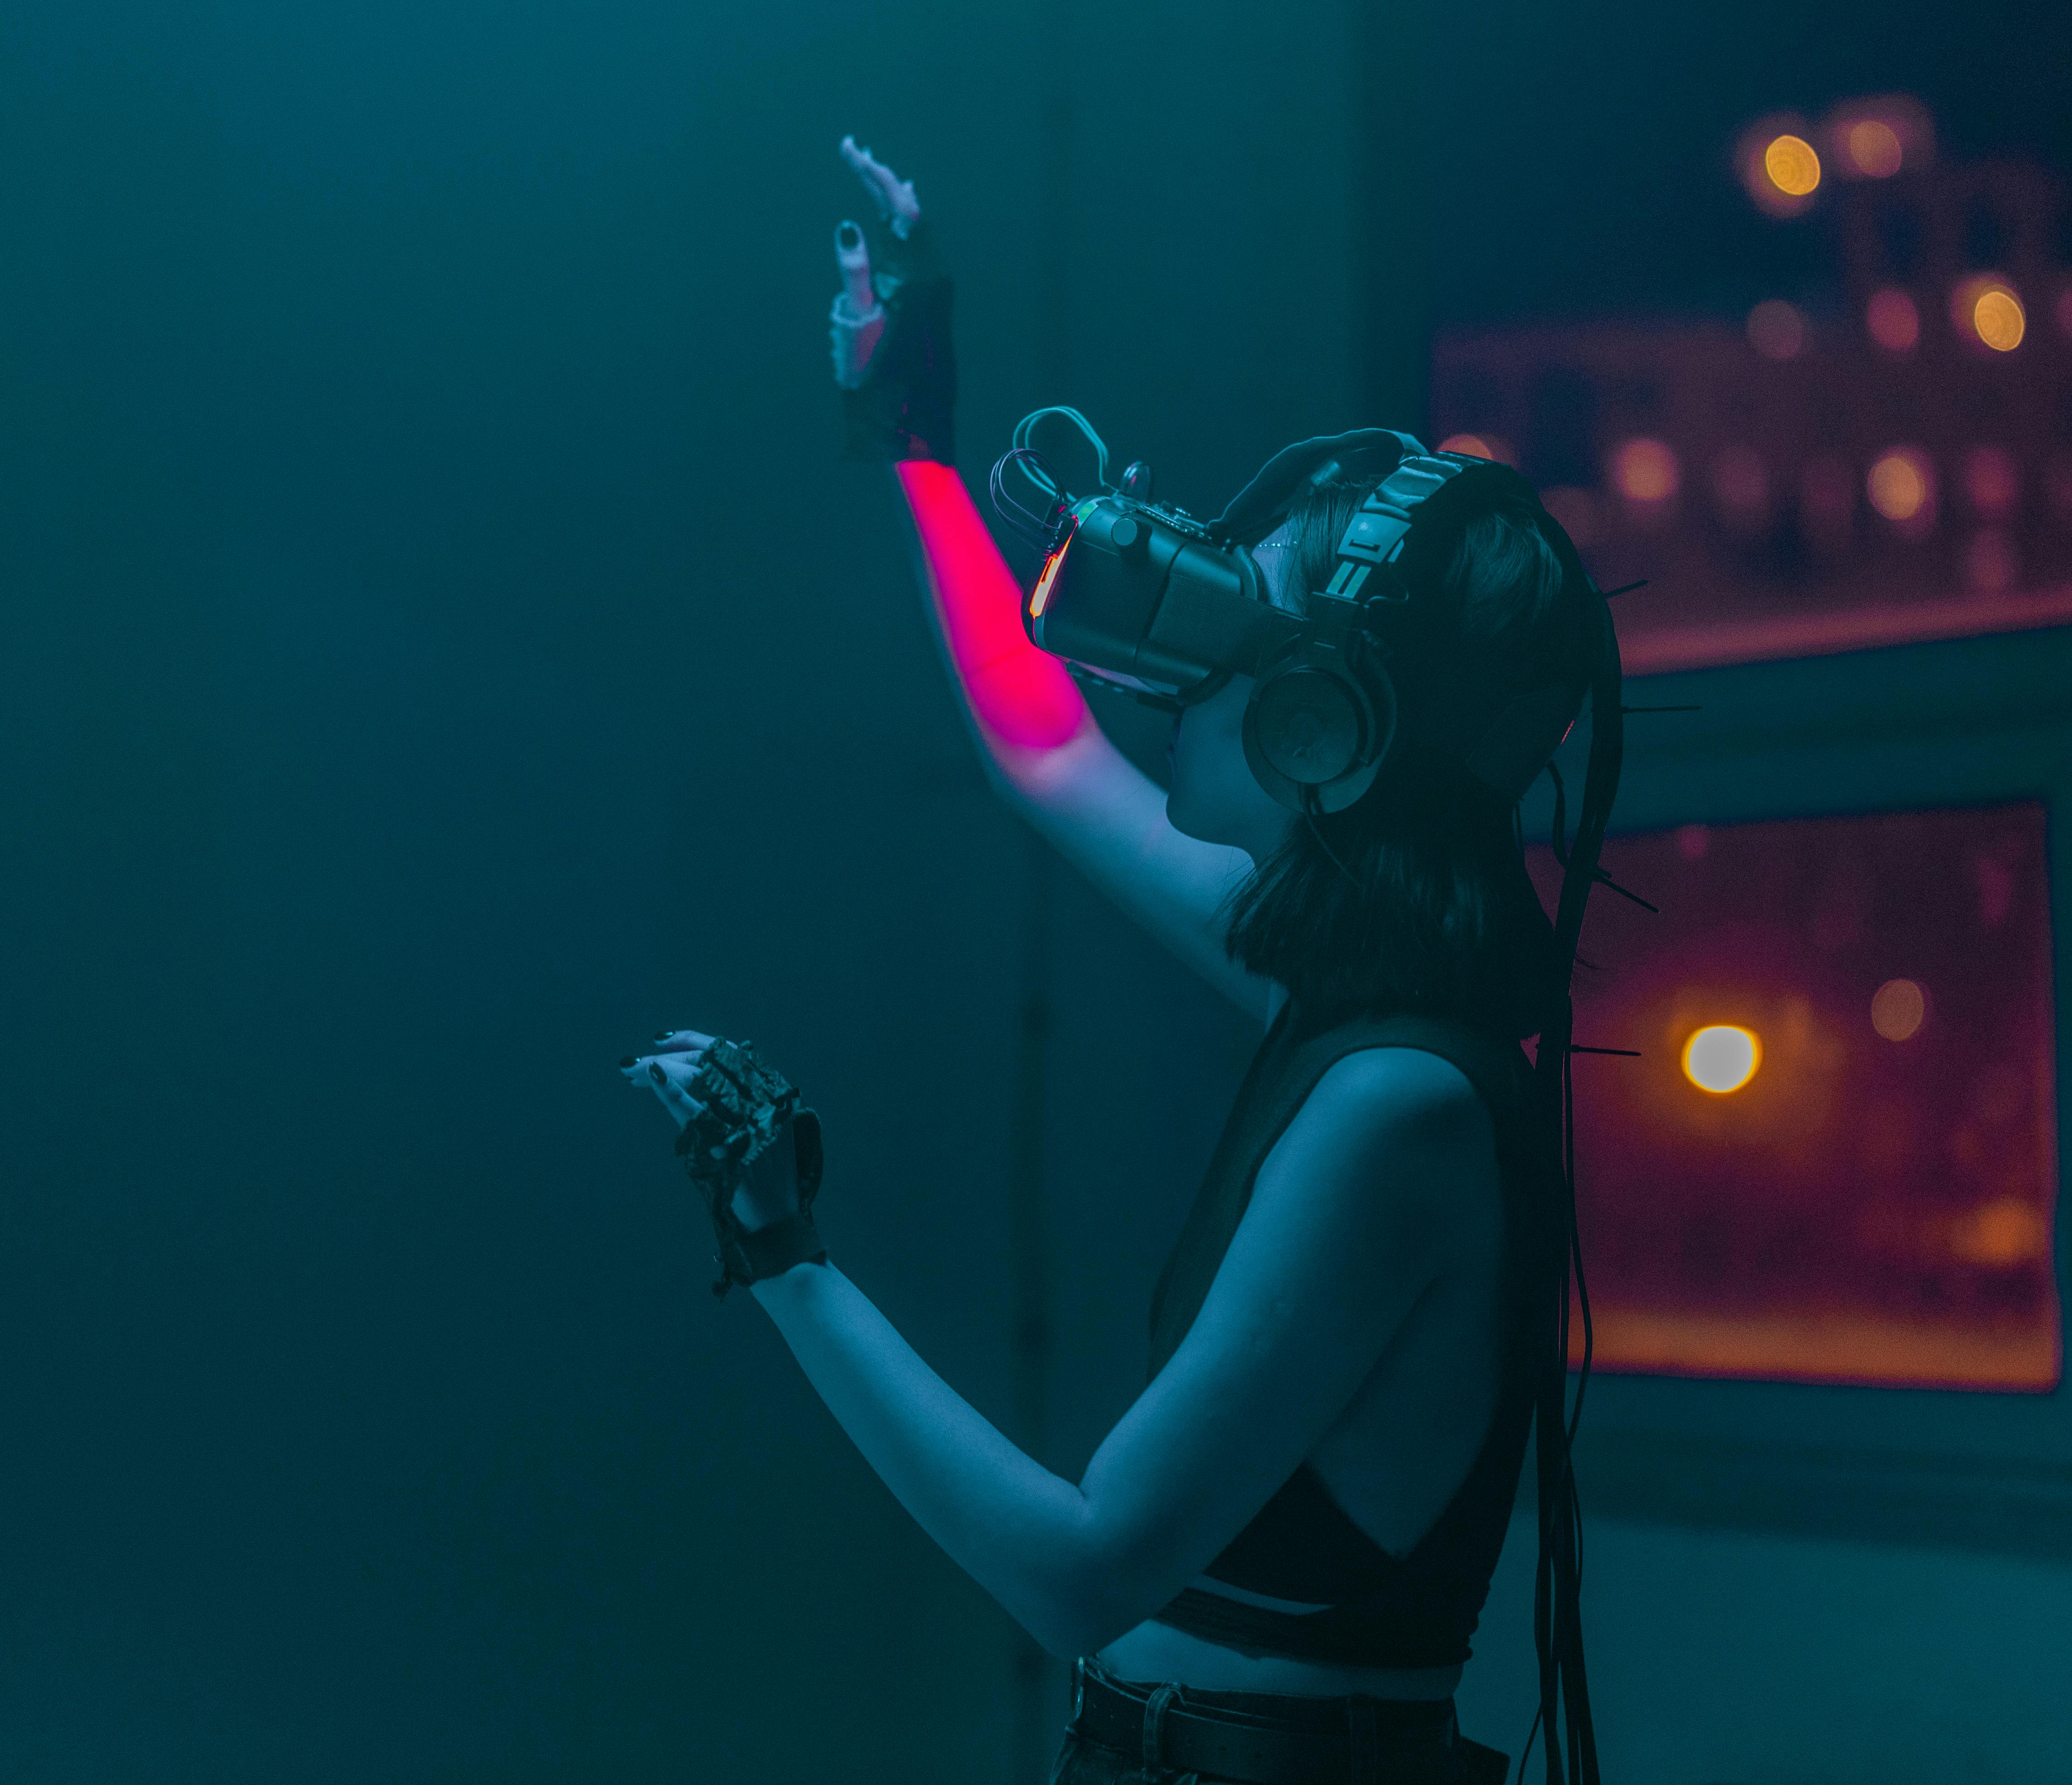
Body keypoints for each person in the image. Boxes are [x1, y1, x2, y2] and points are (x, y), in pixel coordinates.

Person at [620, 139, 1615, 1785]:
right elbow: (1046, 749)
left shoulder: (1398, 1106)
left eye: (1246, 625)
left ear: (1323, 726)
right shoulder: (1368, 1013)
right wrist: (918, 444)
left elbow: (1084, 1566)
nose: (1175, 657)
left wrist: (785, 1255)